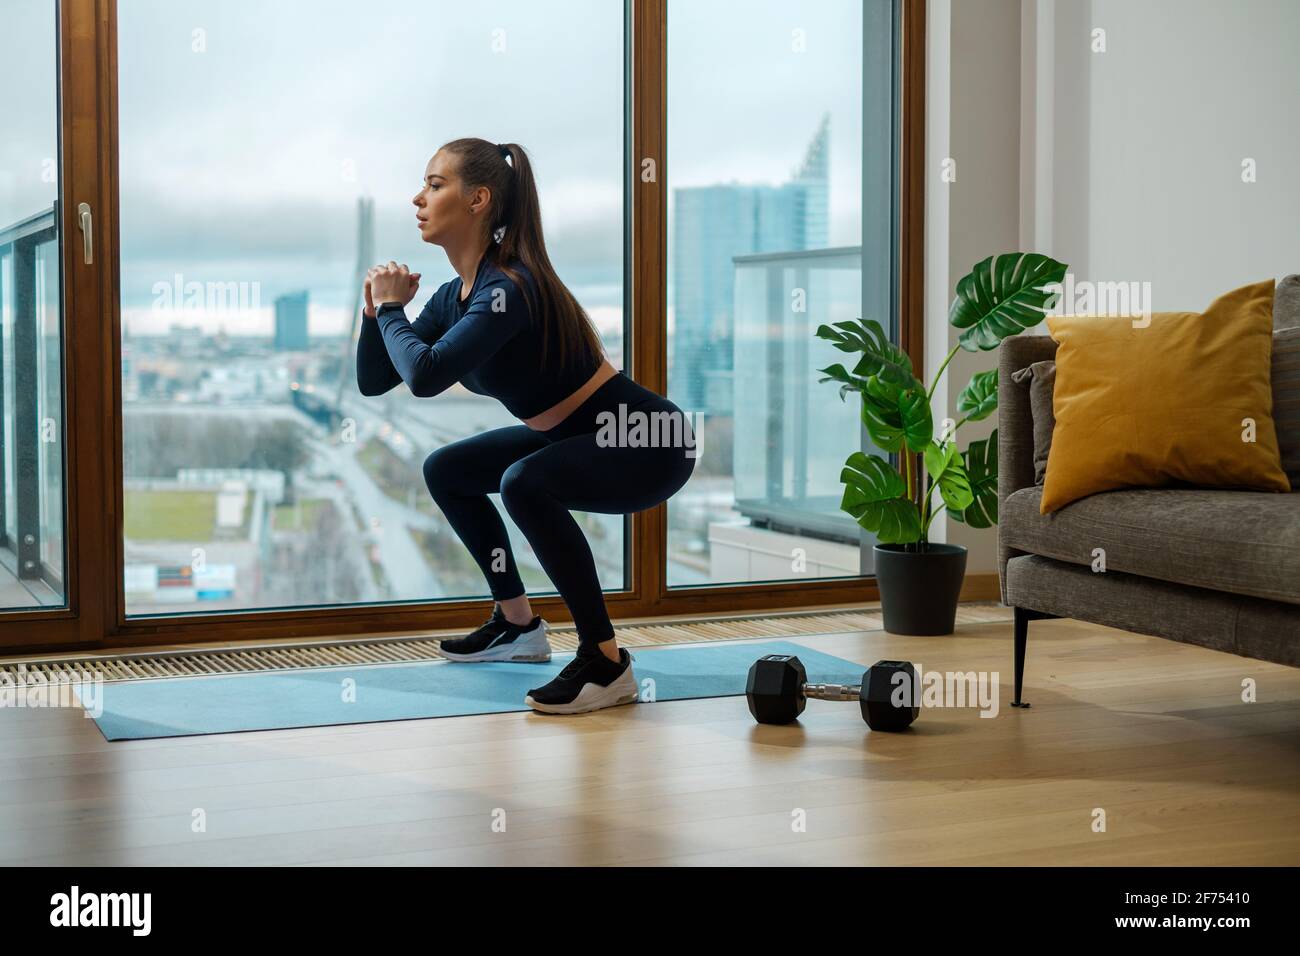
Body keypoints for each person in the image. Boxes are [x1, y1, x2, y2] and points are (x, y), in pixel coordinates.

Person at [357, 138, 697, 715]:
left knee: (523, 482)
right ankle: (518, 627)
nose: (419, 197)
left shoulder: (508, 289)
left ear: (478, 199)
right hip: (573, 434)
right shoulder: (454, 297)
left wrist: (394, 312)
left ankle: (606, 662)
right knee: (449, 469)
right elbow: (376, 381)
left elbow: (427, 376)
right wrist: (374, 312)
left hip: (650, 440)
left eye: (435, 184)